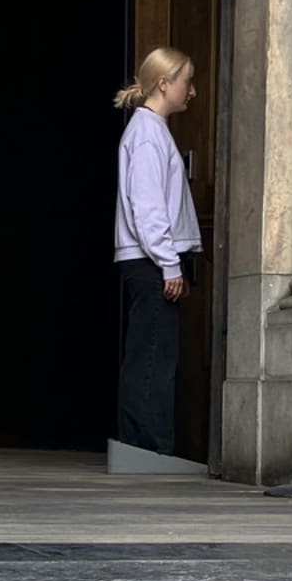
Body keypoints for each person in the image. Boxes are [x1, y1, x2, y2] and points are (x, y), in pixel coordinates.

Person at [111, 46, 200, 456]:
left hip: (148, 261)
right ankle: (146, 452)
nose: (193, 91)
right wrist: (169, 265)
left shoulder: (151, 131)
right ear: (164, 84)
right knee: (152, 360)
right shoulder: (148, 134)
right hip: (150, 263)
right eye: (187, 81)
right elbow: (147, 209)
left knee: (150, 355)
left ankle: (144, 449)